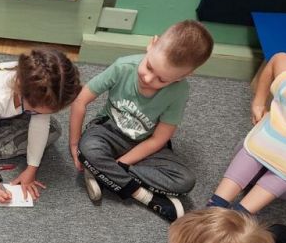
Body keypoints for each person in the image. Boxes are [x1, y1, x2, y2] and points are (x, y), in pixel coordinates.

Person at [69, 20, 213, 221]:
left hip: (144, 144)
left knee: (185, 181)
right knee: (88, 149)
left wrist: (121, 164)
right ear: (151, 44)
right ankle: (144, 196)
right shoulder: (123, 66)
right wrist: (74, 144)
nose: (148, 79)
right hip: (108, 131)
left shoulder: (179, 92)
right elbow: (80, 101)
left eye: (162, 79)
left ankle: (103, 172)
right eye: (149, 66)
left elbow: (159, 139)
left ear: (183, 76)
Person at [0, 48, 81, 203]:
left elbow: (40, 128)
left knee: (54, 130)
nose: (42, 114)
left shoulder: (39, 94)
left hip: (20, 113)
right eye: (38, 111)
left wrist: (31, 169)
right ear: (21, 91)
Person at [207, 52, 286, 214]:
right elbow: (280, 58)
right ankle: (216, 205)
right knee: (252, 153)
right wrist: (258, 102)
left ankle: (237, 215)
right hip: (256, 154)